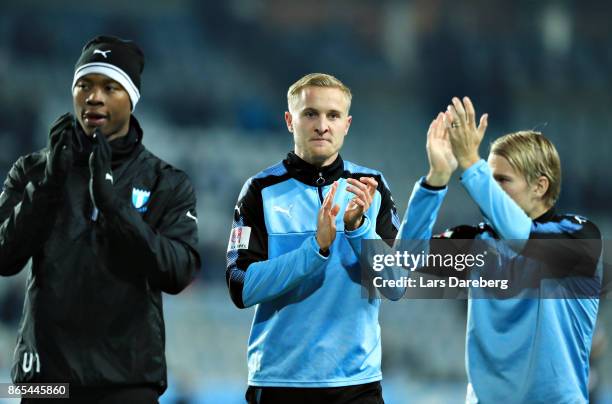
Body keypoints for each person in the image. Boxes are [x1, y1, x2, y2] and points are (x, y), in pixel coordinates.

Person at [0, 35, 200, 403]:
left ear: (132, 99)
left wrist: (114, 207)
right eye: (85, 85)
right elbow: (4, 256)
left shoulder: (166, 182)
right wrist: (48, 185)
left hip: (128, 382)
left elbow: (178, 273)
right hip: (45, 380)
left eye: (110, 87)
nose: (94, 97)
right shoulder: (32, 171)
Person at [400, 97, 602, 403]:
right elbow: (406, 257)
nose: (487, 190)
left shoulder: (578, 236)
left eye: (501, 180)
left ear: (540, 186)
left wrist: (471, 165)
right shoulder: (478, 243)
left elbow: (522, 239)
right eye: (488, 179)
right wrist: (436, 180)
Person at [225, 73, 402, 404]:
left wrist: (358, 228)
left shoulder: (372, 186)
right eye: (311, 114)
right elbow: (240, 286)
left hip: (357, 385)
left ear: (346, 124)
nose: (323, 125)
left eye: (333, 115)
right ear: (290, 120)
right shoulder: (260, 190)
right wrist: (315, 249)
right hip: (280, 383)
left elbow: (396, 284)